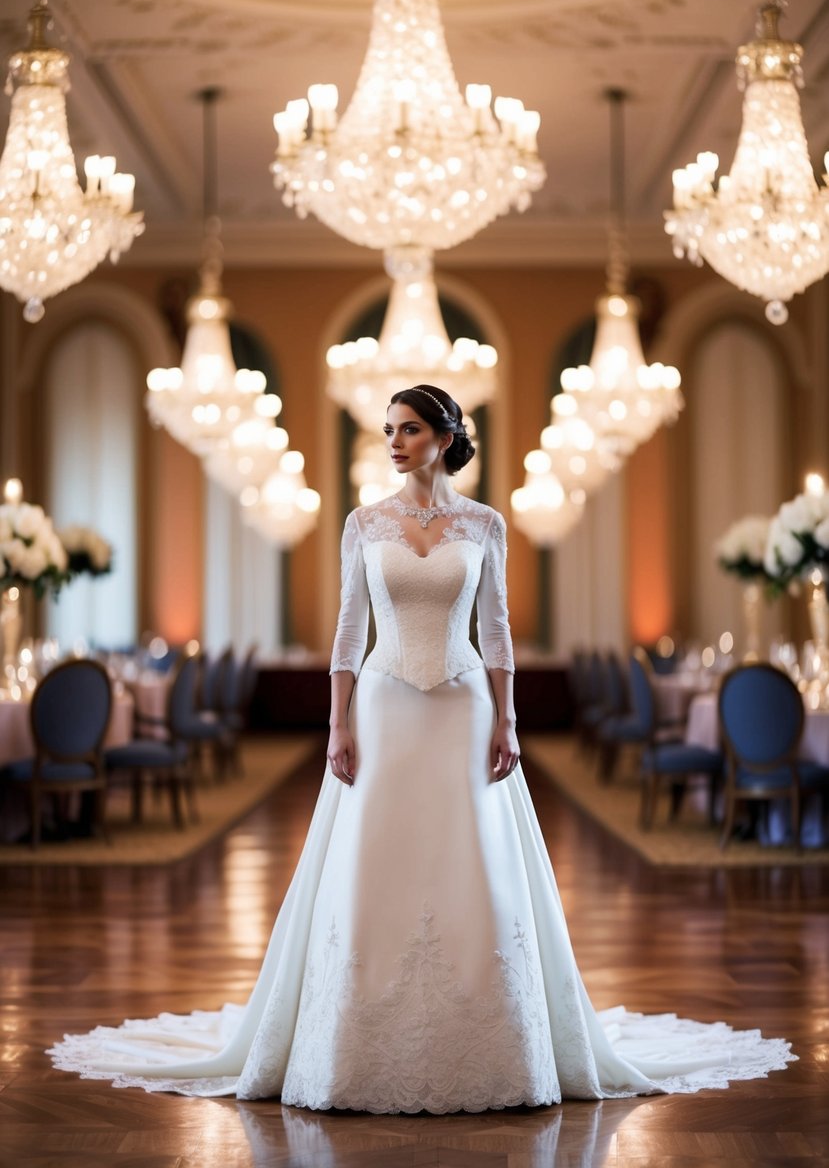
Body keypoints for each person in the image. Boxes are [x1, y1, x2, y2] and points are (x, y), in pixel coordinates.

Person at [48, 384, 794, 1111]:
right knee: (378, 856)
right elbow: (347, 632)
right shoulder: (364, 524)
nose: (394, 442)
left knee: (471, 857)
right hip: (384, 704)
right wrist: (337, 724)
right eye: (388, 430)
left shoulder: (485, 525)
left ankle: (497, 1039)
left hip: (464, 707)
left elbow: (495, 629)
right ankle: (351, 1042)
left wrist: (506, 719)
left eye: (407, 429)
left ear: (443, 437)